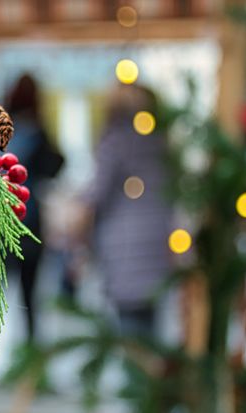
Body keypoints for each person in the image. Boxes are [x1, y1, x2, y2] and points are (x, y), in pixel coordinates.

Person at [0, 74, 64, 387]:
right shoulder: (39, 133)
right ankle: (34, 375)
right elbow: (59, 165)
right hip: (29, 230)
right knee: (32, 304)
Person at [81, 84, 173, 338]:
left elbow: (97, 193)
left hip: (124, 243)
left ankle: (139, 375)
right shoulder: (161, 142)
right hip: (158, 240)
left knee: (131, 330)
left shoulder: (114, 143)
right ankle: (149, 374)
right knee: (150, 326)